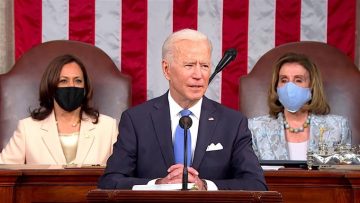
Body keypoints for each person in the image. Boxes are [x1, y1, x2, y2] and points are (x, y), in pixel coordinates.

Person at [98, 29, 267, 191]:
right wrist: (157, 185)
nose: (198, 74)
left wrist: (206, 186)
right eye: (189, 65)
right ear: (166, 69)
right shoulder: (136, 120)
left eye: (205, 66)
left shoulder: (233, 123)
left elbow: (256, 184)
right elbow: (110, 181)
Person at [0, 54, 118, 165]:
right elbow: (4, 172)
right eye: (63, 81)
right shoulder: (28, 128)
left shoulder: (108, 127)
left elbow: (121, 173)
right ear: (51, 86)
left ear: (85, 87)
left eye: (77, 81)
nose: (71, 86)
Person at [249, 52, 351, 160]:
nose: (290, 87)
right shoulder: (255, 128)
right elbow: (249, 174)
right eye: (284, 80)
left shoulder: (338, 128)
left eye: (298, 80)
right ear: (276, 86)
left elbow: (343, 173)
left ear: (311, 85)